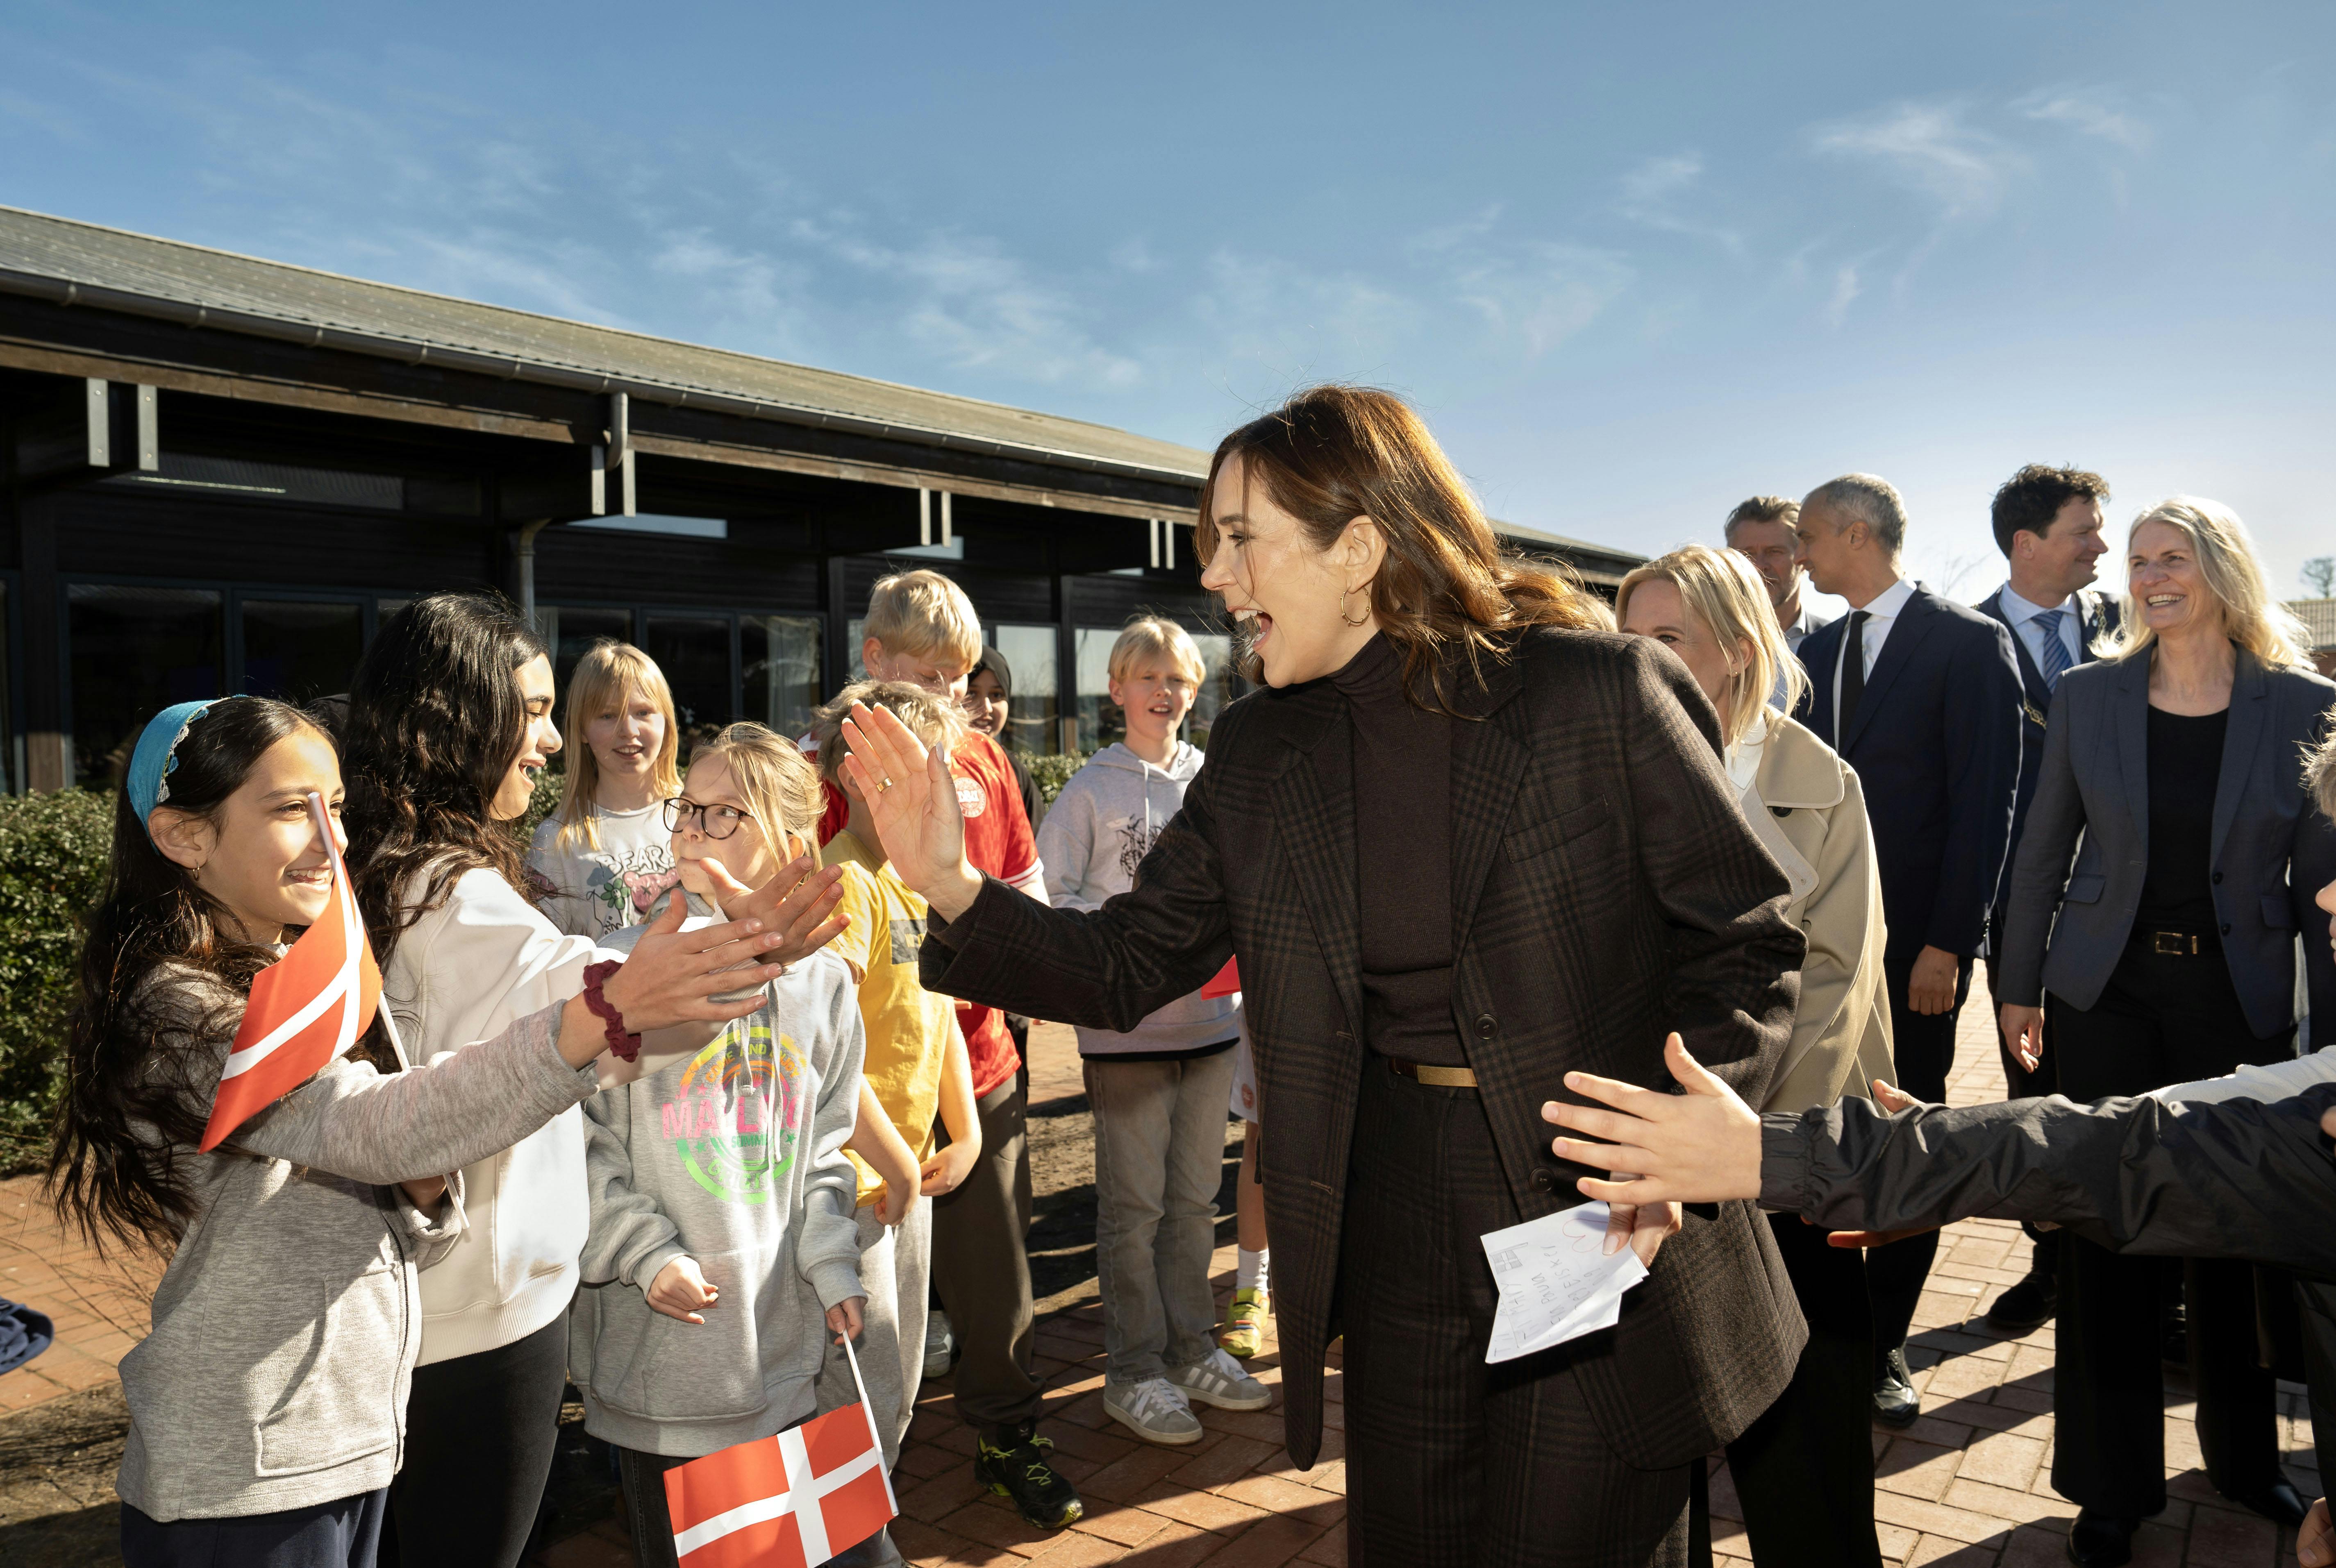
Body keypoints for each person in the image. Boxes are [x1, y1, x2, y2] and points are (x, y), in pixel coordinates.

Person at [841, 385, 1809, 1567]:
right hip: (1389, 1207)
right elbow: (1128, 959)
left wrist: (1678, 1127)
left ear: (1357, 548)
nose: (1214, 575)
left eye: (1239, 537)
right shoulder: (1261, 747)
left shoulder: (1594, 693)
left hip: (1594, 1197)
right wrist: (950, 883)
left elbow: (1746, 935)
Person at [46, 696, 802, 1568]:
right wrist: (605, 1008)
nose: (331, 837)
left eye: (335, 806)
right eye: (292, 808)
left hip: (334, 1440)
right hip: (248, 1466)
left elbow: (381, 1163)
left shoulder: (291, 975)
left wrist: (424, 1198)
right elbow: (374, 1125)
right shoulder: (183, 1005)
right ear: (184, 837)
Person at [344, 592, 847, 1567]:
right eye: (530, 711)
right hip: (484, 1317)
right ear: (458, 721)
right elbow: (589, 1004)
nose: (546, 740)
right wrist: (731, 955)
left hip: (460, 1304)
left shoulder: (411, 875)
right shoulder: (454, 898)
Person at [1991, 496, 2336, 1560]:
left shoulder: (2302, 705)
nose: (2148, 575)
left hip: (2235, 1008)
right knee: (2105, 1236)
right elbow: (2039, 851)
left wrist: (2326, 1046)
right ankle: (2110, 1485)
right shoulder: (2087, 695)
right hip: (2104, 1001)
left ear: (2220, 568)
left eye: (2171, 557)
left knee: (2235, 1242)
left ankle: (2243, 1460)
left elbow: (2324, 889)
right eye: (2137, 559)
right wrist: (2014, 986)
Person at [1618, 545, 1891, 1568]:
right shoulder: (1599, 764)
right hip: (1642, 1151)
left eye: (1666, 640)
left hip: (1781, 1154)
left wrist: (1740, 1135)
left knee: (1806, 1437)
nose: (1637, 661)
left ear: (1735, 652)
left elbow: (1838, 977)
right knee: (1653, 1436)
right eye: (1626, 638)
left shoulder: (1822, 784)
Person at [573, 729, 876, 1568]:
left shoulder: (824, 984)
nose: (692, 830)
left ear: (788, 840)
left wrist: (830, 1259)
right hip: (666, 1366)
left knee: (806, 1552)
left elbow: (824, 1145)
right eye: (687, 809)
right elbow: (578, 1141)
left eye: (722, 814)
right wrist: (641, 1249)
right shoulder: (625, 973)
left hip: (780, 1358)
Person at [832, 569, 1078, 1530]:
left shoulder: (983, 761)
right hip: (862, 1092)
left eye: (963, 676)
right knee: (853, 1291)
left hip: (976, 1060)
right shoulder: (826, 771)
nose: (951, 696)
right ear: (875, 660)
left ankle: (1008, 1433)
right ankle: (850, 1476)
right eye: (931, 673)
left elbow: (1029, 894)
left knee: (995, 1273)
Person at [1793, 472, 2024, 1426]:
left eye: (1808, 536)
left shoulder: (1969, 642)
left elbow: (1985, 805)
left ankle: (1885, 1338)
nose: (1798, 553)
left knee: (1905, 1136)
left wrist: (1948, 943)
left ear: (1858, 533)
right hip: (1818, 949)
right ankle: (1821, 1326)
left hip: (1915, 957)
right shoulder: (1815, 646)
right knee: (1821, 1132)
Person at [1036, 616, 1263, 1445]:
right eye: (1150, 678)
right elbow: (1051, 897)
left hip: (1211, 1026)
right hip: (1126, 1035)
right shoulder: (1090, 789)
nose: (1165, 694)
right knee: (1133, 1208)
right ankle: (1134, 1367)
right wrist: (1114, 947)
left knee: (1194, 1202)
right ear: (1118, 688)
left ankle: (1194, 1346)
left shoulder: (1215, 779)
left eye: (1180, 681)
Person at [805, 693, 989, 1516]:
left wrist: (970, 1126)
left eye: (937, 770)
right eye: (907, 768)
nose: (930, 787)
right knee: (857, 1396)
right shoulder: (844, 878)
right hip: (854, 1188)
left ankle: (861, 1527)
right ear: (855, 771)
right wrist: (890, 1162)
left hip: (903, 1178)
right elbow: (820, 1051)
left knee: (900, 1382)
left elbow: (942, 1010)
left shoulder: (916, 881)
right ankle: (849, 1537)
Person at [1971, 465, 2120, 1335]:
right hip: (2018, 911)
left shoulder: (2129, 627)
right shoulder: (1967, 636)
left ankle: (2150, 1277)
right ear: (2027, 543)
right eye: (2085, 531)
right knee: (2038, 1090)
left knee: (2129, 1094)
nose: (2102, 547)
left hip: (2120, 905)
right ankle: (2050, 1261)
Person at [529, 640, 684, 939]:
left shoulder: (701, 816)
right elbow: (545, 957)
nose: (628, 730)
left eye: (643, 712)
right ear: (582, 729)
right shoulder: (556, 839)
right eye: (607, 715)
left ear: (666, 719)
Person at [1724, 495, 1830, 708]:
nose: (1760, 566)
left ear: (1801, 558)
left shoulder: (1836, 645)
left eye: (1775, 552)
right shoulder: (1707, 640)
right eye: (1747, 554)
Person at [1219, 1017, 1272, 1362]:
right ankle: (1250, 1290)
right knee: (1262, 1139)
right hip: (1276, 990)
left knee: (1353, 1140)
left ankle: (1341, 1294)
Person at [968, 645, 1046, 833]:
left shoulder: (1013, 771)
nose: (986, 707)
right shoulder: (935, 763)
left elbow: (1036, 849)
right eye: (971, 693)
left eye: (997, 695)